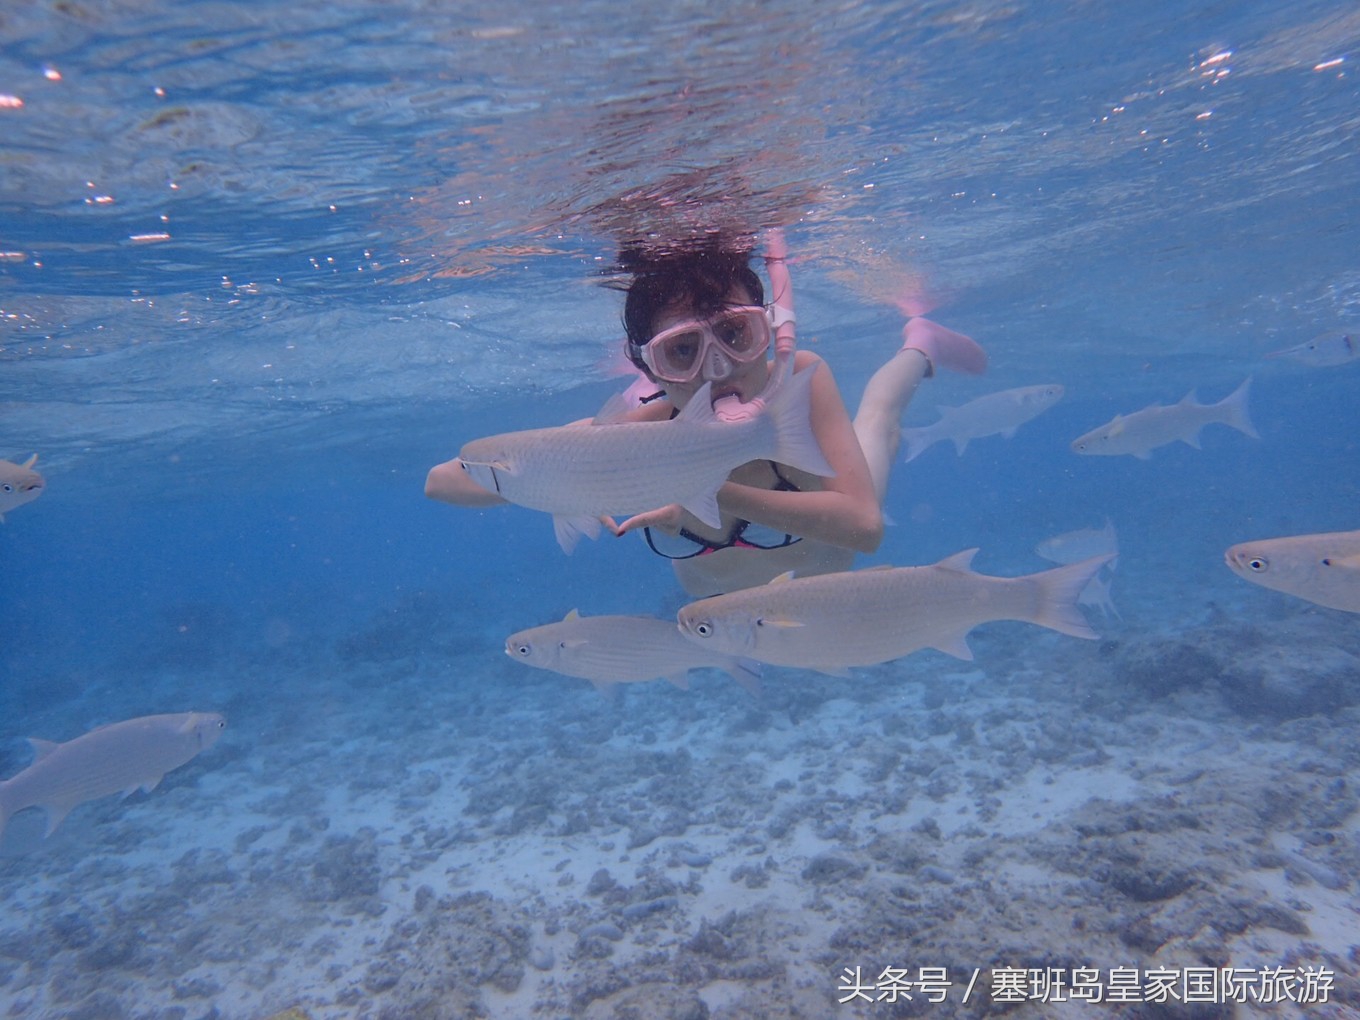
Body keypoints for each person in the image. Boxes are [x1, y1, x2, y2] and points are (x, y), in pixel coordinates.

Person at [424, 239, 986, 598]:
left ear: (769, 331)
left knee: (878, 422)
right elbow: (441, 483)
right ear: (650, 364)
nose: (719, 370)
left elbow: (864, 529)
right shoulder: (631, 440)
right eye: (683, 351)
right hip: (739, 621)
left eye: (736, 334)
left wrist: (701, 486)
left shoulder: (795, 378)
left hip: (826, 581)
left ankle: (920, 345)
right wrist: (566, 475)